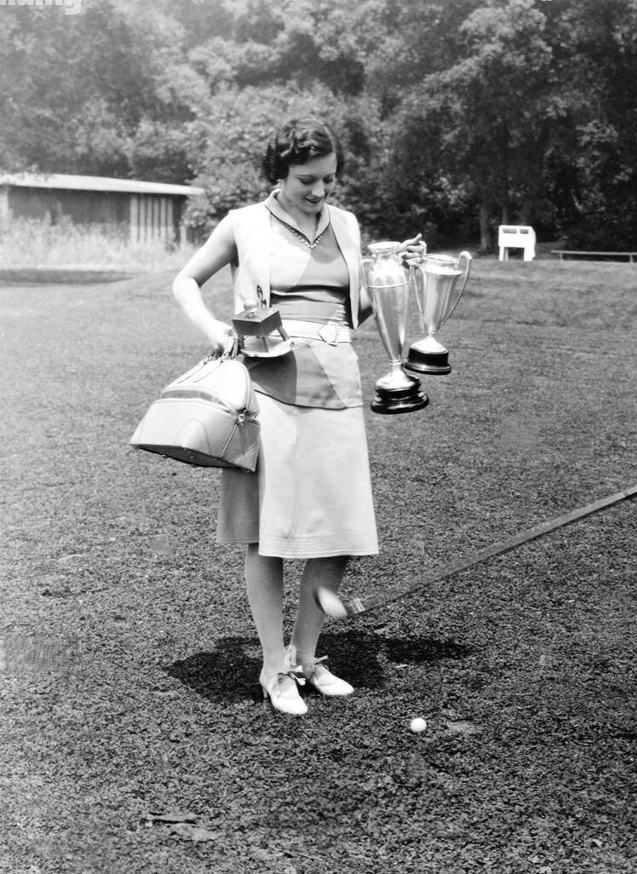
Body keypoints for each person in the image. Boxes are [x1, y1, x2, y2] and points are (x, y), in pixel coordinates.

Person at [172, 118, 424, 716]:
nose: (320, 191)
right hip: (269, 391)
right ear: (277, 174)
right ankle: (273, 666)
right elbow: (185, 282)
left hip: (337, 387)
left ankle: (308, 656)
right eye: (307, 180)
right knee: (269, 536)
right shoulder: (243, 223)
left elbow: (352, 311)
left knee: (336, 534)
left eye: (330, 180)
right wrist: (215, 331)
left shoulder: (347, 225)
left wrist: (395, 277)